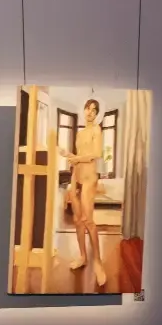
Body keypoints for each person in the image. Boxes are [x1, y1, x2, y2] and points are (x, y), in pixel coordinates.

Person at [62, 99, 105, 288]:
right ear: (84, 109)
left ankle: (98, 263)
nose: (90, 112)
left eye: (94, 110)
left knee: (88, 220)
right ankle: (82, 257)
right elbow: (79, 158)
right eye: (88, 108)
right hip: (77, 177)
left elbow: (96, 154)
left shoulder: (97, 130)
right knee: (78, 220)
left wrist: (76, 158)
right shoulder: (80, 133)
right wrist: (68, 156)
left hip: (89, 179)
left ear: (96, 114)